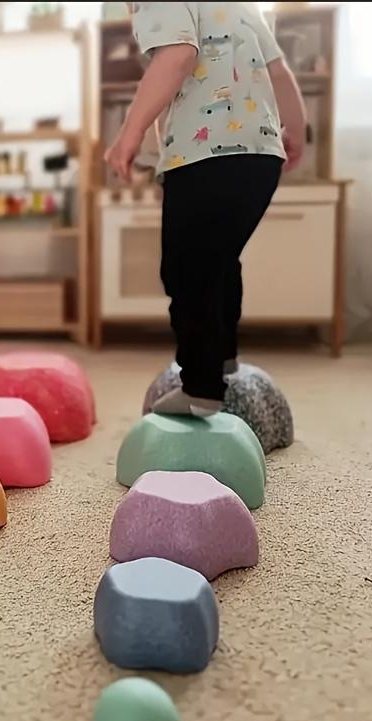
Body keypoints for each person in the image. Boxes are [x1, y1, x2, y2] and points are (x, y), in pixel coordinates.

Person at [105, 2, 307, 416]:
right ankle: (223, 357)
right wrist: (297, 132)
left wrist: (131, 132)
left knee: (186, 270)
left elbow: (177, 55)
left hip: (203, 156)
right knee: (219, 261)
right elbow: (279, 72)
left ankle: (200, 387)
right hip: (262, 157)